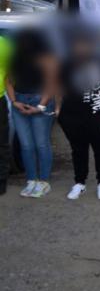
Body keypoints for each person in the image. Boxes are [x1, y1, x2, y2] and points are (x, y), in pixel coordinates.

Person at [57, 31, 100, 200]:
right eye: (78, 45)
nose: (82, 48)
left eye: (85, 45)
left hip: (98, 115)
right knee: (78, 150)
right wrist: (58, 110)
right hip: (72, 115)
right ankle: (79, 183)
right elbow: (59, 87)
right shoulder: (67, 63)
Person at [6, 28, 57, 198]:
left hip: (40, 100)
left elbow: (52, 83)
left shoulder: (46, 57)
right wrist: (14, 101)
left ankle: (43, 181)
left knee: (41, 143)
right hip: (19, 101)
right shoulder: (15, 57)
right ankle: (31, 180)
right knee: (26, 145)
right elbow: (8, 80)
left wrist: (40, 106)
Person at [0, 35, 13, 195]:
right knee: (2, 143)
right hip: (1, 99)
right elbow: (11, 73)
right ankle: (1, 182)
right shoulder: (5, 43)